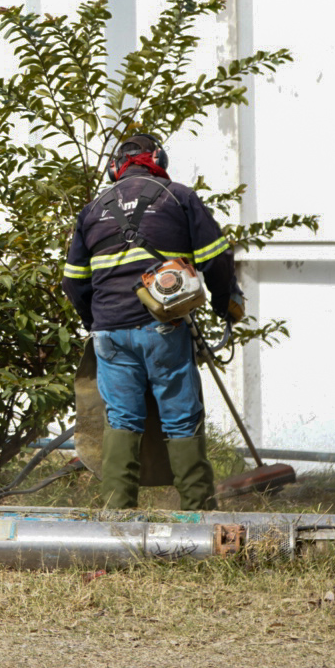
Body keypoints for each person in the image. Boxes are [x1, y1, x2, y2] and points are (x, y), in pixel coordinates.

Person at [61, 133, 240, 510]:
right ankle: (198, 514)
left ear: (115, 168)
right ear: (159, 159)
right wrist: (226, 307)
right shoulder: (178, 197)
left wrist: (98, 321)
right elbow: (216, 259)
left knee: (122, 419)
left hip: (108, 333)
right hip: (164, 328)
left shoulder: (92, 210)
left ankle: (117, 518)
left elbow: (73, 281)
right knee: (180, 417)